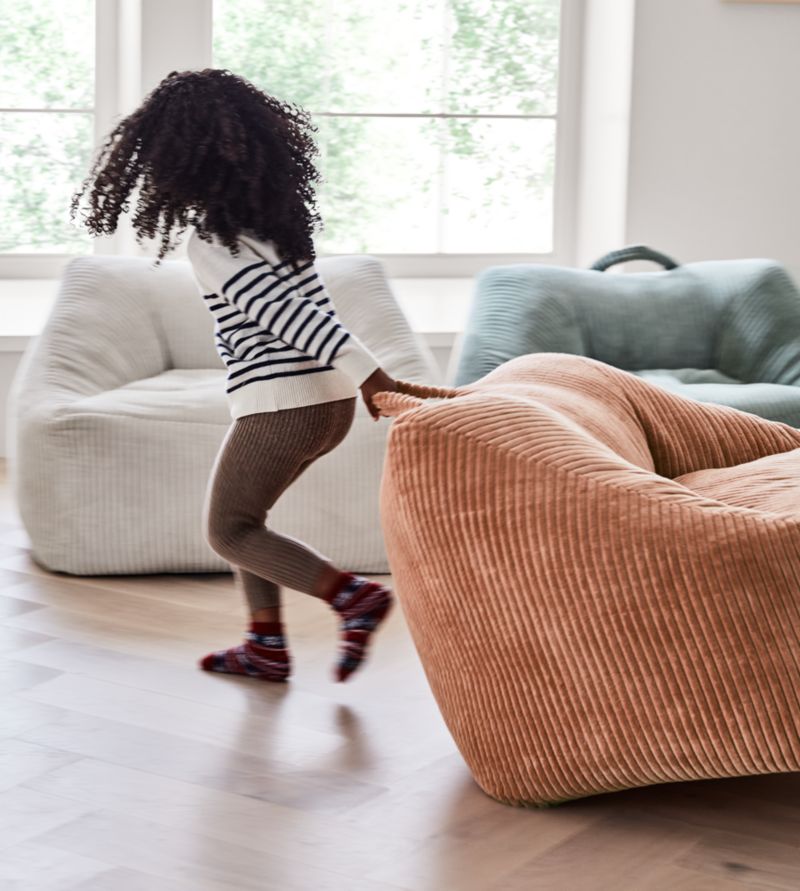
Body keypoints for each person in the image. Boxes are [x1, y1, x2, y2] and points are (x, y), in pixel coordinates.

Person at [69, 67, 399, 683]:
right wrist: (357, 379)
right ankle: (265, 646)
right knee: (251, 522)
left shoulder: (211, 243)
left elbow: (285, 317)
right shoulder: (277, 229)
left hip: (285, 403)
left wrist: (372, 374)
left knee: (228, 530)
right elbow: (304, 310)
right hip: (323, 404)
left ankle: (352, 597)